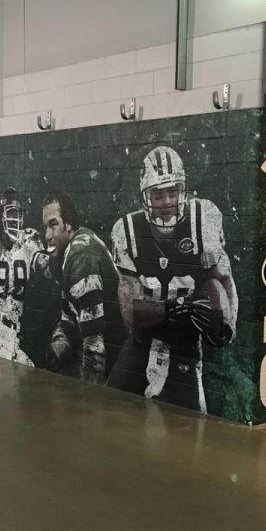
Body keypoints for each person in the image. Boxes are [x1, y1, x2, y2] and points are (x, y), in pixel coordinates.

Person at [107, 145, 237, 414]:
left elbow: (223, 281)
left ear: (183, 191)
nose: (166, 201)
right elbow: (129, 311)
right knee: (112, 410)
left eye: (172, 192)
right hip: (143, 342)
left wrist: (225, 325)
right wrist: (171, 310)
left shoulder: (203, 223)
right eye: (158, 194)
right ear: (146, 197)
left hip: (184, 346)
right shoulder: (128, 231)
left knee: (191, 423)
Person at [40, 189, 122, 384]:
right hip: (93, 337)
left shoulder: (80, 258)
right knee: (55, 352)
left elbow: (95, 347)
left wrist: (87, 402)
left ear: (69, 224)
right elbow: (70, 315)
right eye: (46, 227)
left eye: (54, 225)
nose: (48, 236)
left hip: (112, 349)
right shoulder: (70, 249)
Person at [0, 187, 49, 365]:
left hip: (19, 332)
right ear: (1, 216)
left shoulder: (29, 238)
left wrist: (52, 259)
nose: (16, 219)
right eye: (12, 212)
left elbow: (43, 264)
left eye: (19, 213)